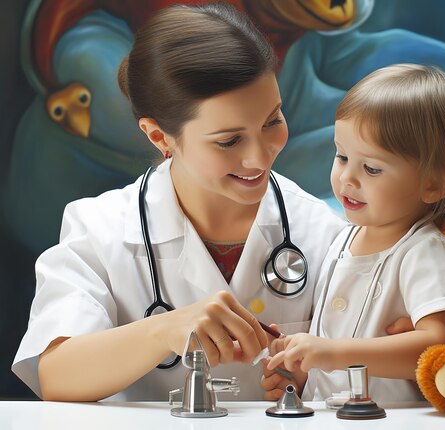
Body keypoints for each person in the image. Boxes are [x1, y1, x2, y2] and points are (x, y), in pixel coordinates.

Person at [11, 3, 349, 402]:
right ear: (159, 137)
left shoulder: (326, 231)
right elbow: (55, 376)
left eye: (272, 121)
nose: (260, 157)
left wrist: (312, 381)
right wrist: (164, 330)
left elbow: (363, 380)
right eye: (228, 140)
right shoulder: (98, 228)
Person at [263, 64, 445, 402]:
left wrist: (333, 353)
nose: (347, 178)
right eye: (342, 156)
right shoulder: (343, 240)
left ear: (433, 184)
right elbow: (333, 341)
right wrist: (303, 371)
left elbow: (436, 345)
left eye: (372, 168)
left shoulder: (425, 250)